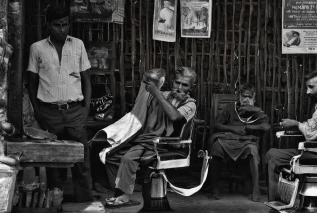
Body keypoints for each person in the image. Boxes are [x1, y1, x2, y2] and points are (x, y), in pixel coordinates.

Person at [103, 67, 197, 208]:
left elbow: (175, 117)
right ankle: (122, 193)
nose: (179, 87)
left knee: (128, 158)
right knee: (108, 154)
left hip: (166, 144)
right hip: (146, 139)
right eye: (177, 83)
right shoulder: (164, 94)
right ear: (172, 82)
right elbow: (142, 105)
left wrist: (157, 94)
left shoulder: (190, 104)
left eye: (185, 85)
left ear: (192, 87)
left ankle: (125, 197)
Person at [27, 4, 93, 203]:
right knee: (52, 158)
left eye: (65, 24)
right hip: (49, 112)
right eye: (57, 25)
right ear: (48, 25)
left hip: (75, 111)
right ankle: (54, 199)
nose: (62, 29)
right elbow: (31, 83)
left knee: (81, 157)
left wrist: (86, 108)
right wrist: (38, 112)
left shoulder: (78, 45)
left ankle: (84, 199)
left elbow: (86, 80)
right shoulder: (37, 48)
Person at [265, 71, 317, 201]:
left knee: (273, 158)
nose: (308, 92)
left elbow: (310, 133)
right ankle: (285, 199)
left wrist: (296, 124)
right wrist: (297, 125)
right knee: (271, 153)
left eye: (311, 87)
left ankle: (278, 202)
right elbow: (312, 127)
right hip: (316, 150)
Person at [207, 83, 270, 202]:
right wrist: (232, 128)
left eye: (249, 97)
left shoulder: (257, 112)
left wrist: (249, 125)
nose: (246, 100)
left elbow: (266, 127)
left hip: (246, 142)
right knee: (216, 147)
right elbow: (216, 124)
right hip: (228, 140)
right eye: (244, 96)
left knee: (252, 150)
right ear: (239, 97)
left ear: (254, 99)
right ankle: (214, 189)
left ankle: (256, 190)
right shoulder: (231, 108)